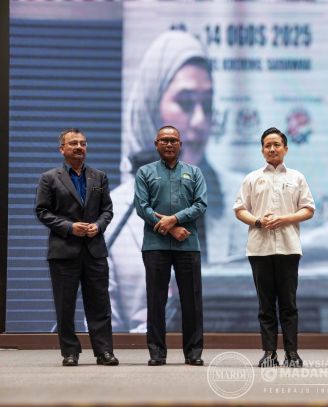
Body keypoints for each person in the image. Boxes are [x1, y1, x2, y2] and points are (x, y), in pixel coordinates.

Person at [105, 29, 245, 332]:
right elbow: (104, 336)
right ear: (151, 106)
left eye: (207, 104)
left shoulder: (242, 199)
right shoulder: (115, 215)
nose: (200, 121)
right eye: (185, 102)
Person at [35, 128, 119, 367]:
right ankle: (70, 352)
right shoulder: (49, 178)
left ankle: (104, 352)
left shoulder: (99, 176)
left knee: (100, 304)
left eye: (83, 143)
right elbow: (42, 211)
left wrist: (98, 226)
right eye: (73, 143)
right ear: (62, 149)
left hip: (94, 250)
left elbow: (107, 210)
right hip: (63, 250)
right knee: (65, 306)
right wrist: (70, 227)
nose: (79, 147)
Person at [234, 127, 315, 368]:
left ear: (286, 149)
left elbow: (309, 209)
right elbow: (240, 209)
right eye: (267, 145)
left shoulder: (297, 177)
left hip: (289, 247)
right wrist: (258, 221)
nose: (272, 149)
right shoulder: (251, 178)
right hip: (259, 248)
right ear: (262, 150)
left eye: (276, 145)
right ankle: (269, 353)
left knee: (289, 304)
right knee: (266, 305)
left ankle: (292, 353)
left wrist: (284, 219)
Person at [135, 125, 207, 366]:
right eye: (164, 140)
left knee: (192, 301)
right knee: (156, 301)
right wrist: (171, 228)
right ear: (156, 144)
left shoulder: (194, 172)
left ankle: (193, 352)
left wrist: (174, 219)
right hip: (155, 245)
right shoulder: (145, 172)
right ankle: (157, 353)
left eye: (173, 140)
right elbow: (142, 207)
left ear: (180, 144)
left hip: (188, 244)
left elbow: (200, 204)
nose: (169, 144)